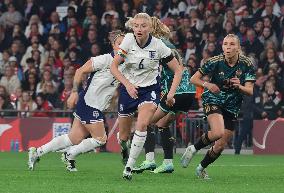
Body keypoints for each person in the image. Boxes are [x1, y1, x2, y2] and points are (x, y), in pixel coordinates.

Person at [27, 32, 125, 172]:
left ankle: (37, 152)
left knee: (73, 138)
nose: (122, 46)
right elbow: (80, 71)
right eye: (119, 43)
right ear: (113, 45)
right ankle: (69, 154)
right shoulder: (104, 59)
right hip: (89, 103)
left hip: (92, 104)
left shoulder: (124, 64)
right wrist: (73, 92)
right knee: (101, 139)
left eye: (124, 43)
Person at [110, 13, 183, 180]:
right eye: (136, 26)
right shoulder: (127, 40)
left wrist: (171, 94)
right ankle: (123, 146)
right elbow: (114, 67)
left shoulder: (158, 46)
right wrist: (127, 85)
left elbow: (178, 70)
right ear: (132, 27)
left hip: (149, 90)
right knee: (124, 136)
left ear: (150, 28)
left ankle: (129, 167)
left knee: (142, 124)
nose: (139, 29)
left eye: (143, 26)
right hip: (128, 90)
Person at [180, 34, 256, 179]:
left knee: (220, 145)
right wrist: (208, 84)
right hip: (213, 99)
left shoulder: (247, 64)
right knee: (217, 131)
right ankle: (193, 148)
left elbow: (250, 91)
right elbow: (193, 78)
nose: (228, 47)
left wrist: (238, 86)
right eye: (226, 44)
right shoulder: (214, 61)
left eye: (232, 44)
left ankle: (201, 168)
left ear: (238, 48)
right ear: (222, 47)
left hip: (232, 107)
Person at [133, 17, 196, 174]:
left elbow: (172, 71)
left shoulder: (157, 45)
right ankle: (168, 163)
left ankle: (149, 160)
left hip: (176, 92)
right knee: (162, 124)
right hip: (189, 91)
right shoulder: (169, 44)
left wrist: (170, 93)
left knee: (146, 123)